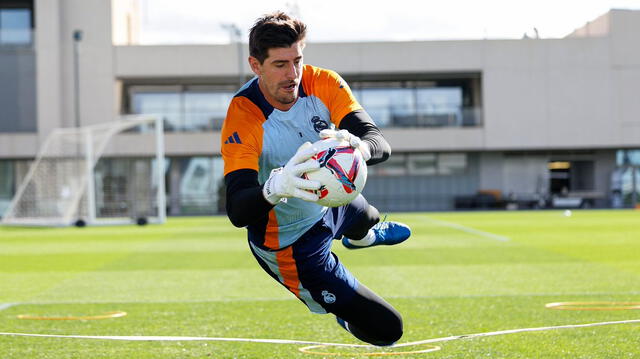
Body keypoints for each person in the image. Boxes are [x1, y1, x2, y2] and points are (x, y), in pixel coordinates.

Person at [221, 11, 411, 346]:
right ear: (256, 65)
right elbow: (238, 211)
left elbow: (378, 141)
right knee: (387, 330)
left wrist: (360, 148)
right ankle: (342, 311)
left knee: (368, 215)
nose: (292, 74)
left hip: (327, 205)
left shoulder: (321, 81)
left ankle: (361, 238)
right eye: (280, 64)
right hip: (291, 243)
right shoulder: (244, 115)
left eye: (297, 60)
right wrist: (275, 187)